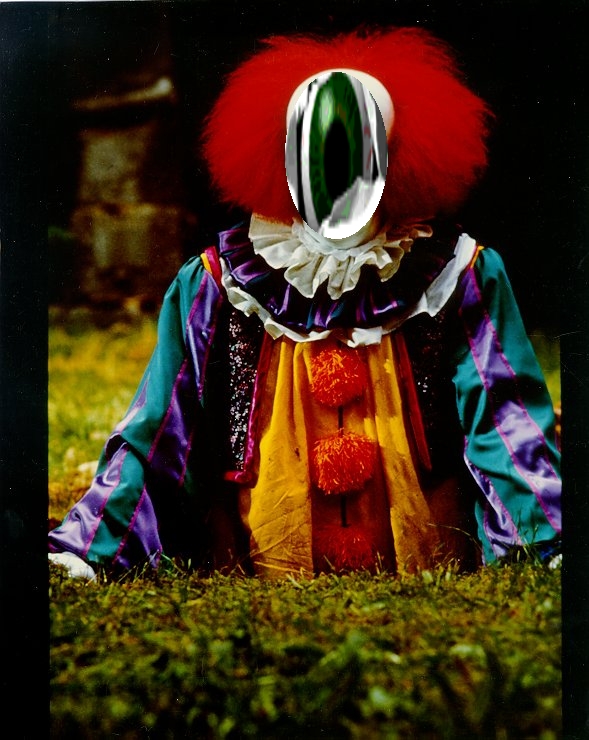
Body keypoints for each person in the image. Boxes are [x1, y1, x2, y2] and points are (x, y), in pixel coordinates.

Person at [49, 27, 561, 580]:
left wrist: (545, 538)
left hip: (428, 543)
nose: (334, 174)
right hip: (258, 549)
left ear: (393, 155)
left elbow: (505, 418)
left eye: (357, 152)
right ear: (284, 155)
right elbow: (162, 425)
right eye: (313, 152)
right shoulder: (219, 280)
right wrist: (95, 547)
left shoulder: (458, 273)